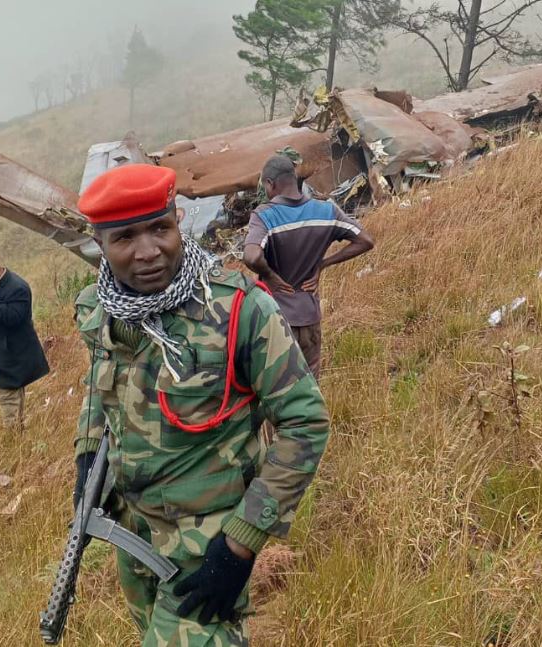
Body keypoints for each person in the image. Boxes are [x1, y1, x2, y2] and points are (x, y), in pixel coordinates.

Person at [73, 163, 329, 646]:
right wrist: (87, 459)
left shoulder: (239, 309)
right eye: (125, 238)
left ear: (177, 219)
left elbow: (305, 423)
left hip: (207, 545)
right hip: (136, 540)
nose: (149, 252)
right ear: (99, 243)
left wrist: (240, 544)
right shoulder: (97, 309)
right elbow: (98, 391)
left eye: (161, 229)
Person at [243, 154, 374, 379]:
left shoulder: (265, 215)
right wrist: (322, 264)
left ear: (269, 184)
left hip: (275, 319)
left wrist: (270, 275)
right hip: (310, 316)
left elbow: (252, 257)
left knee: (277, 388)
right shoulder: (326, 211)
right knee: (310, 386)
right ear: (294, 179)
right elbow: (366, 241)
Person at [0, 251, 49, 432]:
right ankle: (17, 434)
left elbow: (12, 318)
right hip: (3, 356)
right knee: (13, 399)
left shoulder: (17, 287)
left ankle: (13, 441)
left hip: (13, 357)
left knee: (8, 401)